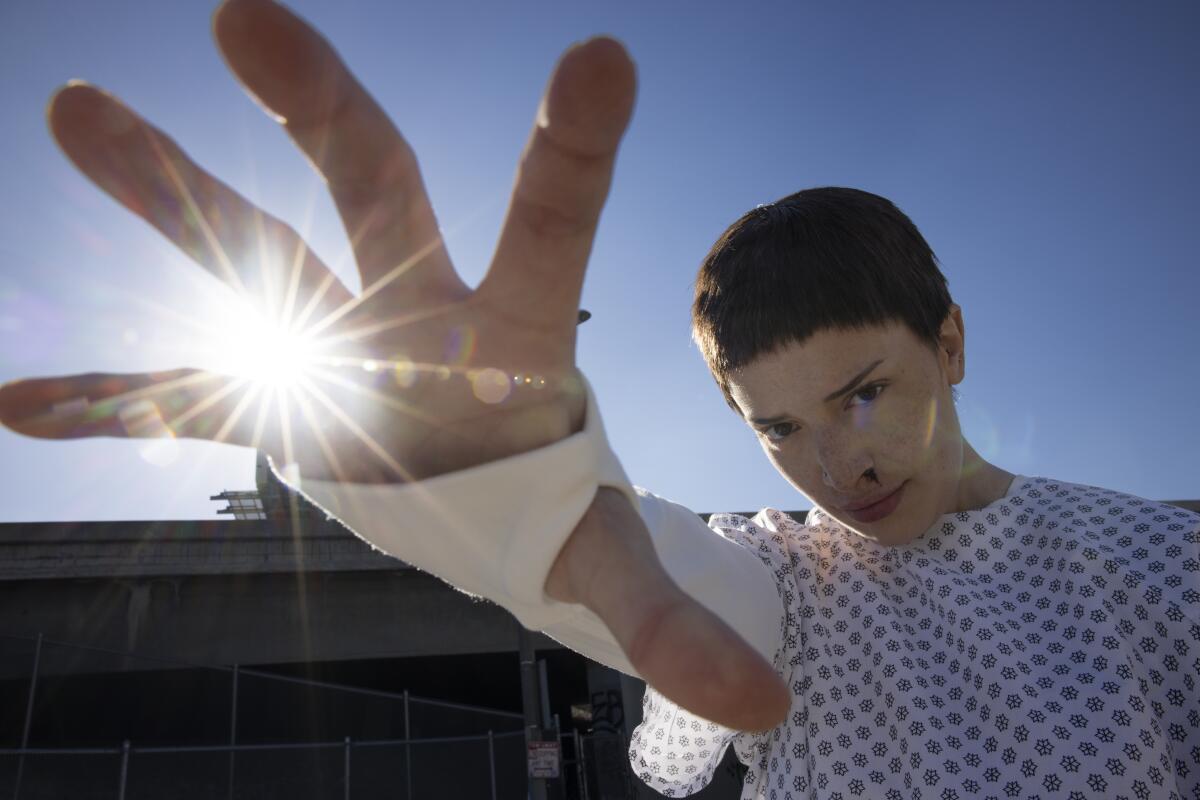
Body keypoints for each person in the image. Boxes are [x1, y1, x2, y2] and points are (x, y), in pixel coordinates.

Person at [1, 1, 1196, 798]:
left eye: (863, 392)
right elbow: (684, 588)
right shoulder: (781, 579)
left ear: (951, 341)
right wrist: (528, 509)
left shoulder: (1162, 565)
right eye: (777, 425)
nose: (838, 462)